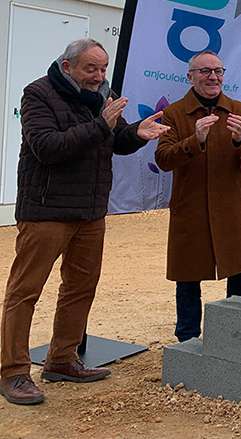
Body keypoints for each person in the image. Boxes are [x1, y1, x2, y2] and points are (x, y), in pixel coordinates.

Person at [0, 38, 167, 405]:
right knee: (24, 292)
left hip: (90, 212)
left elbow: (114, 139)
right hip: (46, 211)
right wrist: (101, 125)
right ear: (67, 66)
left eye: (103, 69)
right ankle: (13, 371)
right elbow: (47, 147)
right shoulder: (38, 94)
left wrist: (136, 133)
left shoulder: (103, 96)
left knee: (80, 288)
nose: (99, 76)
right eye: (91, 68)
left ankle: (62, 359)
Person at [154, 50, 241, 343]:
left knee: (240, 272)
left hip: (231, 209)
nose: (212, 77)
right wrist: (195, 140)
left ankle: (235, 336)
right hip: (190, 208)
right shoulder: (174, 113)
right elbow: (163, 158)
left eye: (217, 70)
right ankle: (187, 339)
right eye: (204, 71)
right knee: (187, 277)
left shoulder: (239, 110)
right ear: (190, 77)